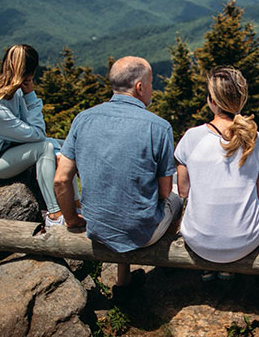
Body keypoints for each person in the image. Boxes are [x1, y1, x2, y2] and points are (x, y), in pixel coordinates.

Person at [54, 56, 182, 290]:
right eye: (151, 83)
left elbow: (61, 179)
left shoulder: (83, 119)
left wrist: (72, 219)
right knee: (176, 200)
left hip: (96, 226)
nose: (152, 88)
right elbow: (164, 192)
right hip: (142, 233)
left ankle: (123, 279)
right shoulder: (159, 127)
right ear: (140, 87)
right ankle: (167, 266)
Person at [0, 44, 78, 227]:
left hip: (5, 151)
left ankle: (76, 205)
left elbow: (29, 130)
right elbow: (38, 135)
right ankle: (54, 215)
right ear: (29, 75)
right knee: (44, 148)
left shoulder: (9, 92)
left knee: (68, 146)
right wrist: (31, 96)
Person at [175, 66, 259, 281]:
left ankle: (208, 267)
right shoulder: (256, 139)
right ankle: (228, 270)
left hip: (200, 241)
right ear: (241, 100)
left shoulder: (192, 137)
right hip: (245, 241)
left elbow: (184, 191)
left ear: (212, 101)